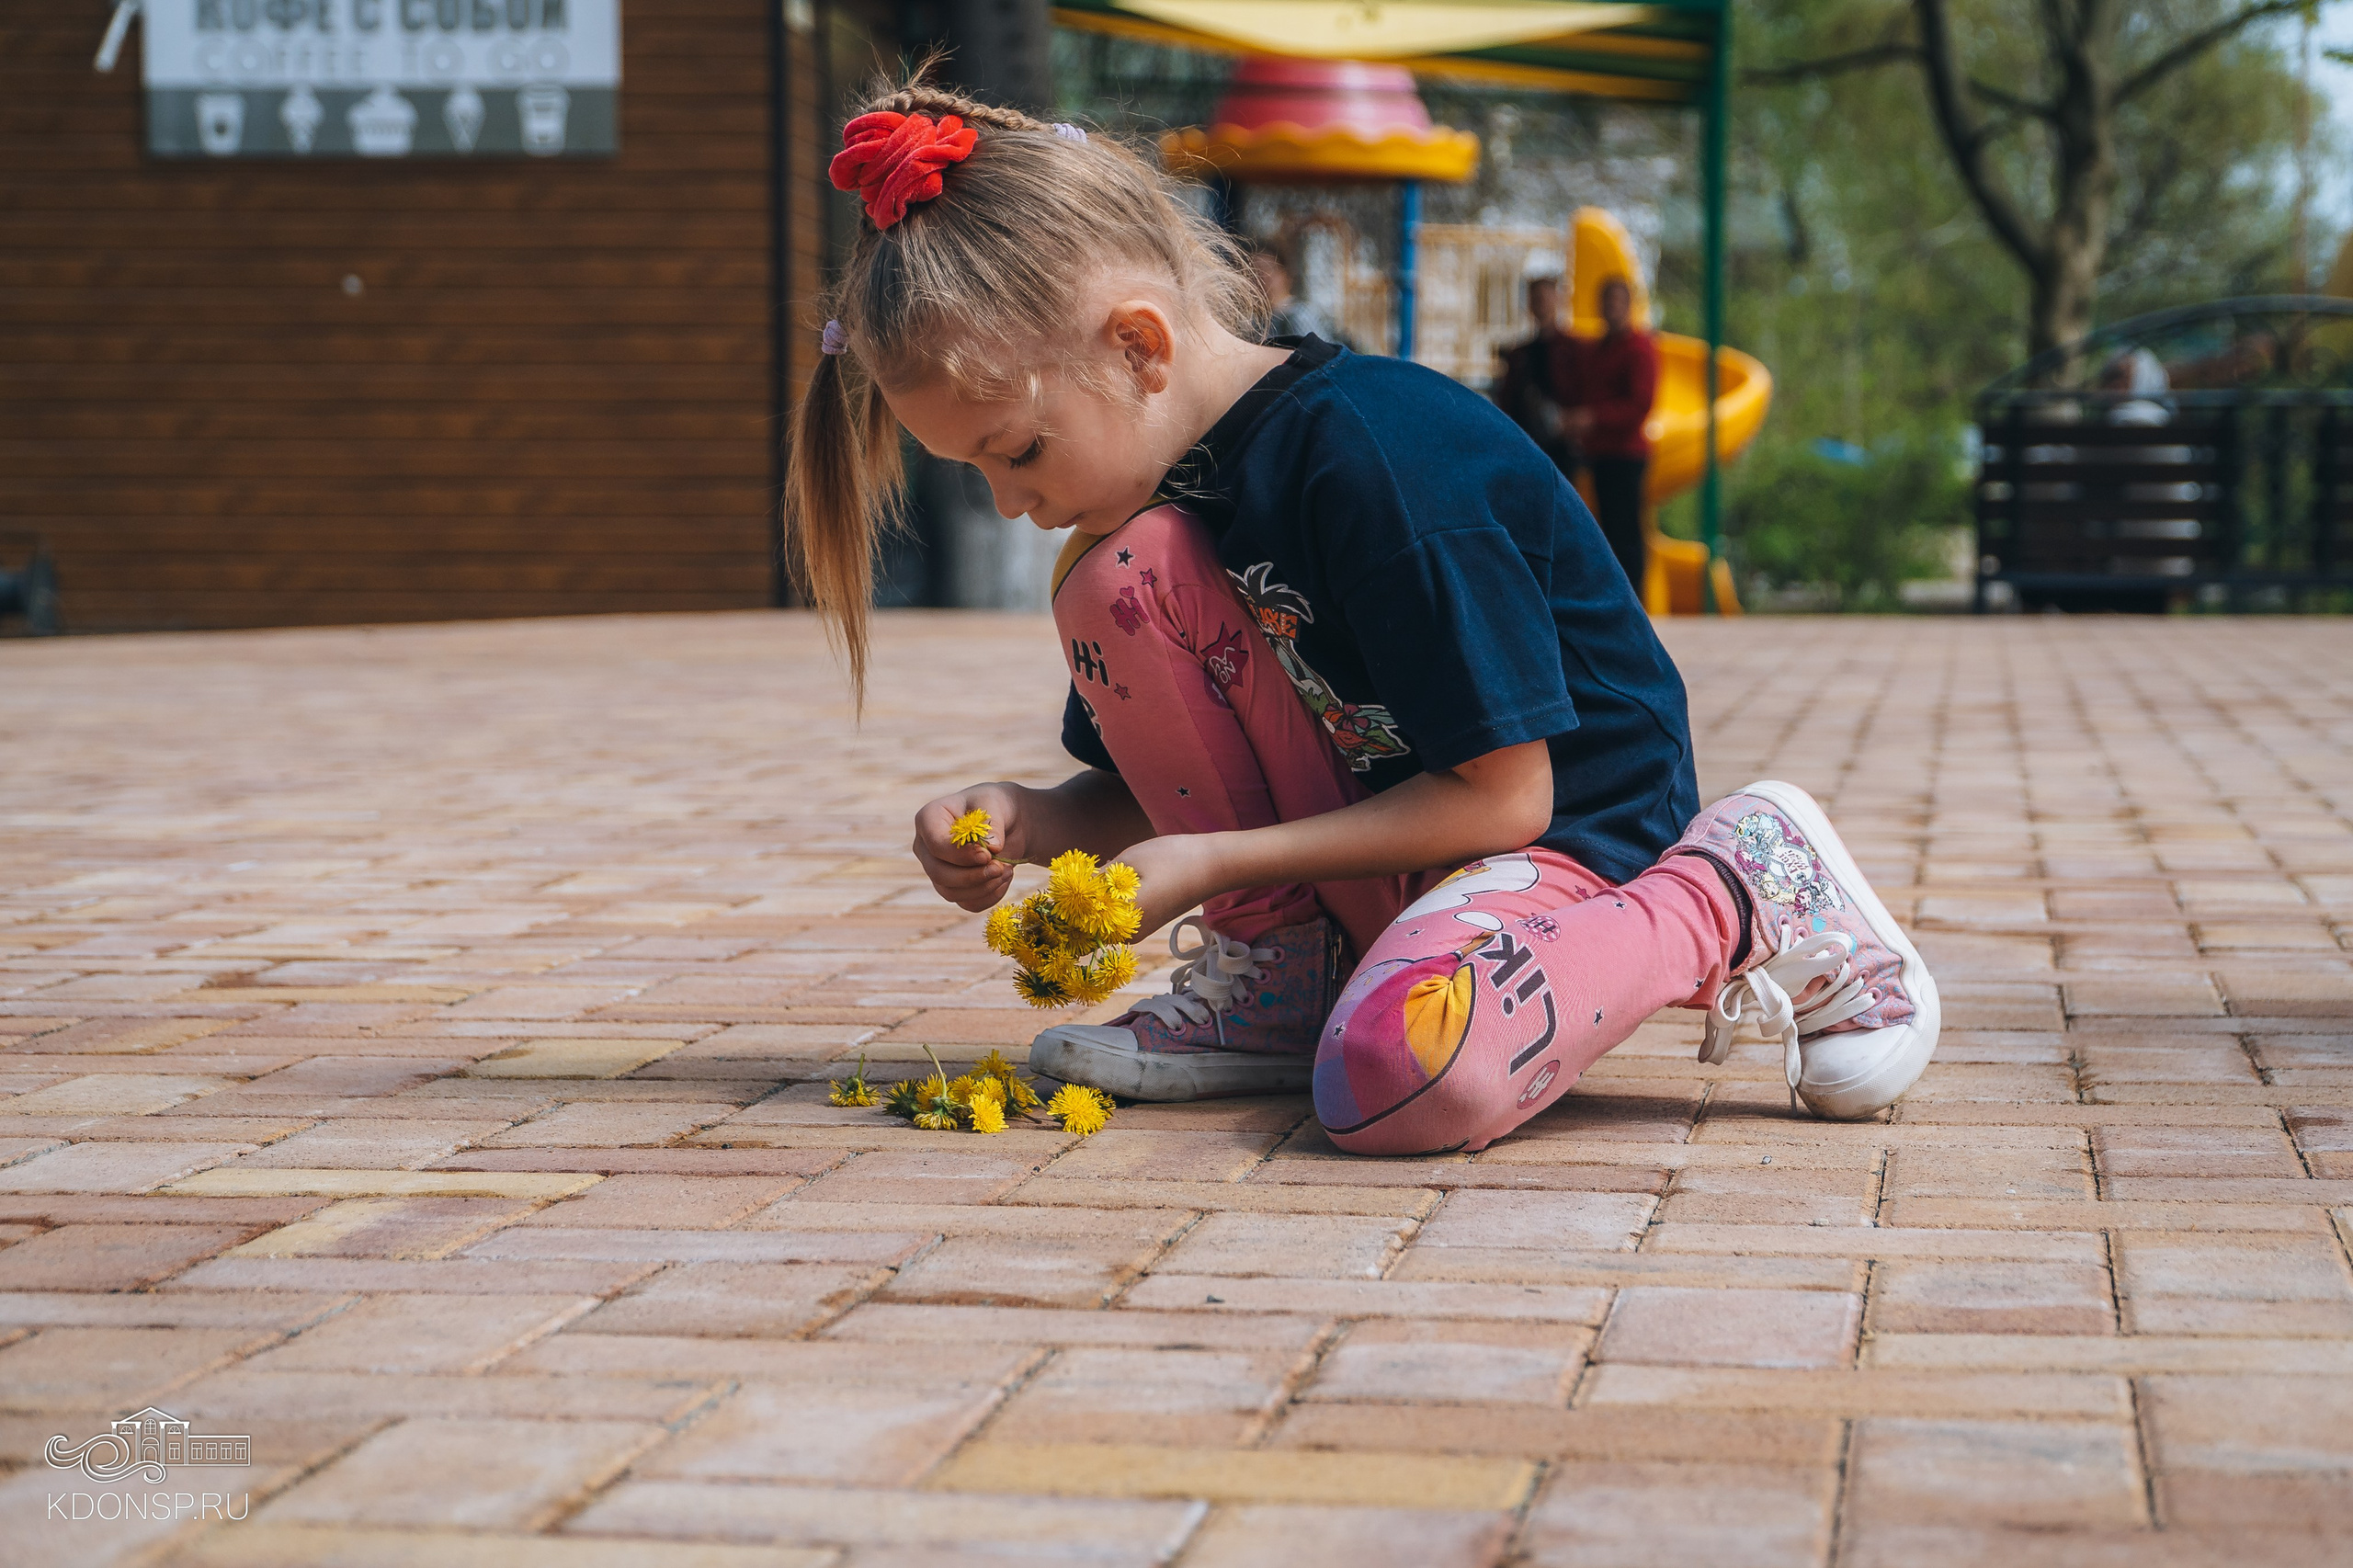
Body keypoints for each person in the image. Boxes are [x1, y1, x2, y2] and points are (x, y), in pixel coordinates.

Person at [790, 83, 1940, 1155]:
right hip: (1391, 839)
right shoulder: (1155, 528)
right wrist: (1031, 818)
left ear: (1137, 345)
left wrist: (1214, 863)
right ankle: (1287, 976)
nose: (1011, 505)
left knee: (1402, 1073)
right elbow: (1174, 797)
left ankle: (1732, 885)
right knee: (1113, 578)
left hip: (1559, 845)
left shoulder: (1378, 460)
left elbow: (1505, 795)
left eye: (1019, 452)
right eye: (973, 475)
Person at [1559, 277, 1658, 592]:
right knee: (1605, 531)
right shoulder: (1597, 351)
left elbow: (1640, 404)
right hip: (1599, 453)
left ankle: (1636, 602)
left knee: (1626, 531)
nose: (1611, 308)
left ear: (1628, 306)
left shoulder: (1640, 348)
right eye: (1607, 302)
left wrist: (1594, 418)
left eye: (1617, 301)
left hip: (1626, 454)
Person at [1494, 276, 1575, 477]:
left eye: (1546, 298)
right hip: (1527, 440)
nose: (1542, 304)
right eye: (1536, 299)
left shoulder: (1572, 349)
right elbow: (1509, 397)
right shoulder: (1521, 353)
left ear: (1557, 300)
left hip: (1561, 443)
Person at [1245, 242, 1342, 346]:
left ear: (1286, 275)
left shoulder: (1300, 315)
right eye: (1256, 273)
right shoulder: (1259, 323)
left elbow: (1316, 357)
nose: (1264, 278)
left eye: (1270, 269)